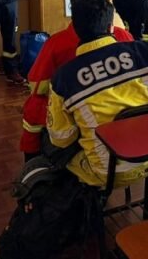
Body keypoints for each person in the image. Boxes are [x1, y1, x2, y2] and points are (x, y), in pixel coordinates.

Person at [47, 0, 148, 188]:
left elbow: (62, 139)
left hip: (108, 172)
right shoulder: (146, 50)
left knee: (51, 149)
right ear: (111, 26)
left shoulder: (62, 79)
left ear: (74, 29)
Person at [20, 13, 134, 161]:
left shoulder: (58, 43)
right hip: (124, 118)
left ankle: (32, 162)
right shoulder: (125, 36)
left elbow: (37, 86)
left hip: (82, 124)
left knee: (34, 105)